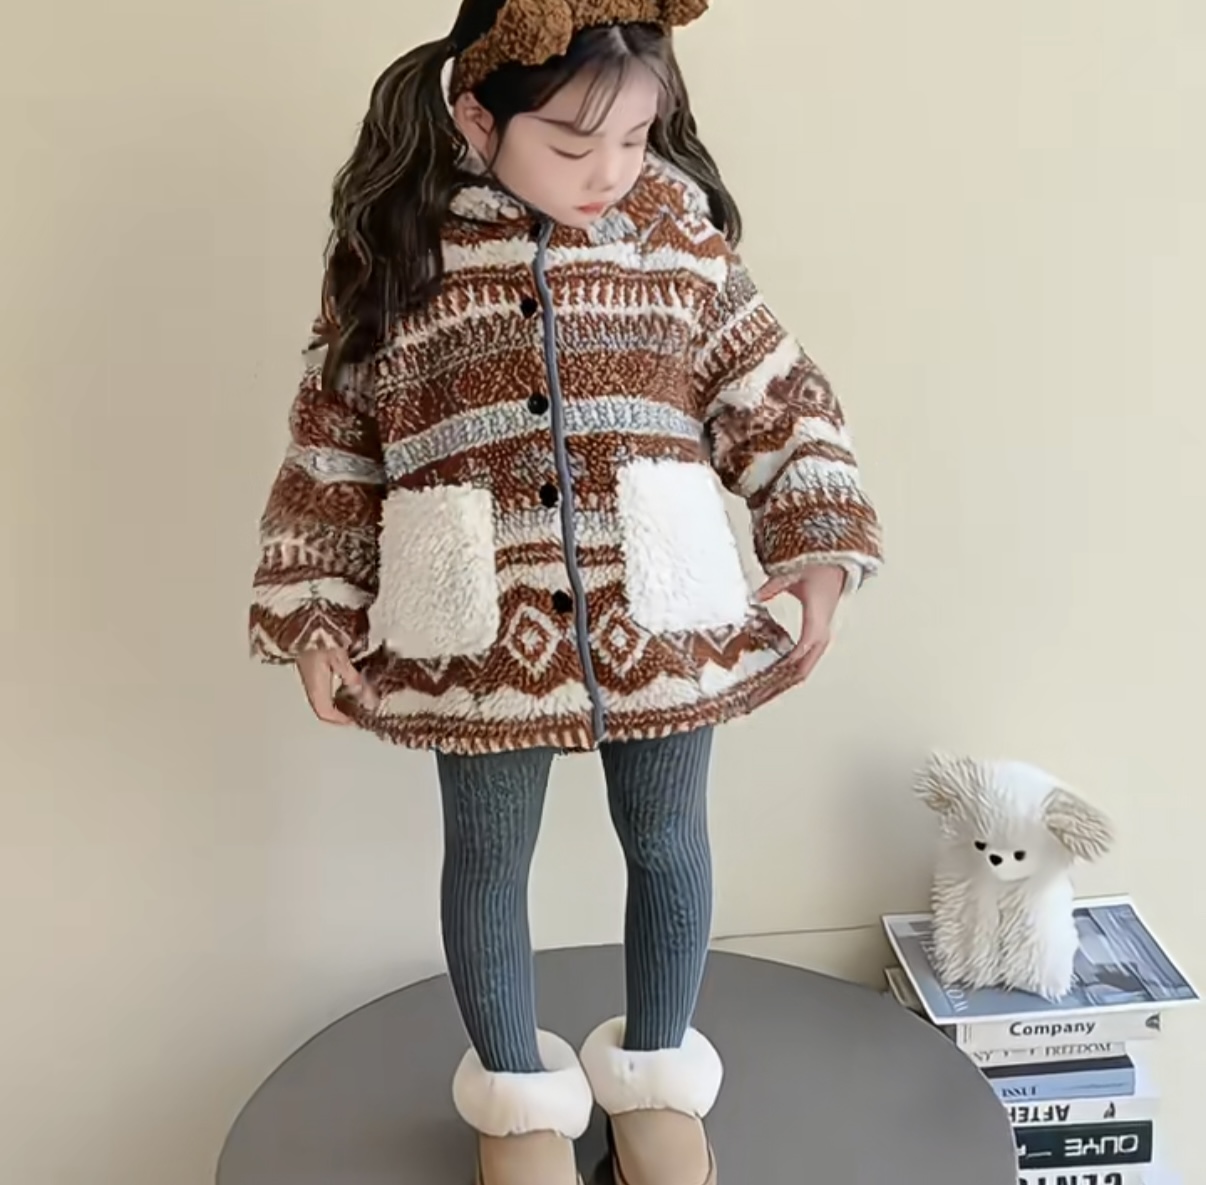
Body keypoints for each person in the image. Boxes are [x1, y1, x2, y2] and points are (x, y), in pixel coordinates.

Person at [248, 1, 883, 1182]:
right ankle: (517, 1105)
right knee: (488, 862)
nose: (610, 173)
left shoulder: (676, 233)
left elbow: (773, 391)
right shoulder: (401, 249)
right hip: (477, 623)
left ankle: (658, 1077)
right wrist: (316, 611)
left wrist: (815, 541)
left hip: (663, 608)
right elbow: (334, 445)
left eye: (635, 139)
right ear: (478, 119)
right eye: (574, 144)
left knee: (670, 843)